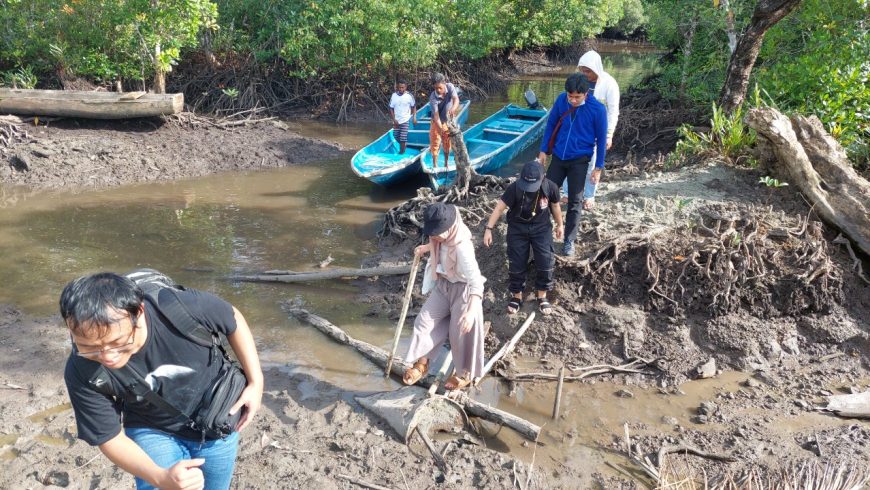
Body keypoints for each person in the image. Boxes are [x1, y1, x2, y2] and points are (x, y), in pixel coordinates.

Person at [61, 272, 264, 490]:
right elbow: (108, 436)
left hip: (217, 418)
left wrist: (256, 381)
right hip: (150, 427)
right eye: (90, 347)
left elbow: (233, 319)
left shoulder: (179, 308)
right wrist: (159, 477)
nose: (108, 356)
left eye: (117, 342)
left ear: (138, 313)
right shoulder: (81, 370)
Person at [403, 203, 485, 391]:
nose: (432, 237)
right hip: (444, 285)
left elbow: (476, 283)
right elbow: (438, 245)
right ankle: (422, 364)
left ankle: (463, 373)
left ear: (449, 229)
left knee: (459, 334)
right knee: (423, 322)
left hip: (463, 290)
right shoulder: (438, 238)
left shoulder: (463, 248)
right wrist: (425, 248)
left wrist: (471, 312)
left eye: (435, 233)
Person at [537, 73, 607, 257]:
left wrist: (598, 168)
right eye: (570, 96)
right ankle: (542, 231)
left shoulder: (598, 109)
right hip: (559, 156)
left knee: (576, 201)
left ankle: (569, 240)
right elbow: (551, 124)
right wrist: (544, 151)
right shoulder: (562, 100)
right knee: (545, 193)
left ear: (586, 93)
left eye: (577, 97)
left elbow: (601, 140)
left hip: (580, 160)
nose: (573, 100)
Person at [483, 161, 564, 315]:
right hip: (517, 228)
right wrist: (488, 229)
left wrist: (560, 224)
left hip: (541, 228)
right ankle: (517, 295)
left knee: (546, 259)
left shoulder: (550, 187)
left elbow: (555, 206)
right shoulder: (514, 188)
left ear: (543, 177)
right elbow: (500, 207)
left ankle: (542, 295)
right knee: (517, 261)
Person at [570, 50, 621, 210]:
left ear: (596, 69)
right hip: (578, 127)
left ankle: (589, 195)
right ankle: (567, 192)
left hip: (598, 129)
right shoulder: (579, 81)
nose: (584, 74)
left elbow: (613, 111)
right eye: (582, 71)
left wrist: (609, 134)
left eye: (588, 71)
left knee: (592, 164)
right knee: (570, 160)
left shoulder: (609, 84)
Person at [428, 72, 461, 169]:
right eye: (436, 88)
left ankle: (446, 164)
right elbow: (436, 116)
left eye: (440, 88)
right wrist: (440, 129)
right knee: (435, 143)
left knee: (447, 143)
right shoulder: (433, 98)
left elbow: (456, 100)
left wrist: (453, 109)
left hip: (448, 121)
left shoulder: (450, 87)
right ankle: (435, 165)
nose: (438, 90)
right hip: (436, 122)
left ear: (444, 83)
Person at [389, 80, 417, 154]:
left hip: (405, 119)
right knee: (395, 135)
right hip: (397, 120)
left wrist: (414, 117)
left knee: (403, 137)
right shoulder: (394, 95)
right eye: (399, 87)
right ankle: (404, 146)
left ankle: (401, 152)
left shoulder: (409, 96)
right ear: (397, 87)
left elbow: (413, 106)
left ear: (405, 87)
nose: (401, 89)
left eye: (402, 87)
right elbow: (391, 108)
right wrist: (394, 119)